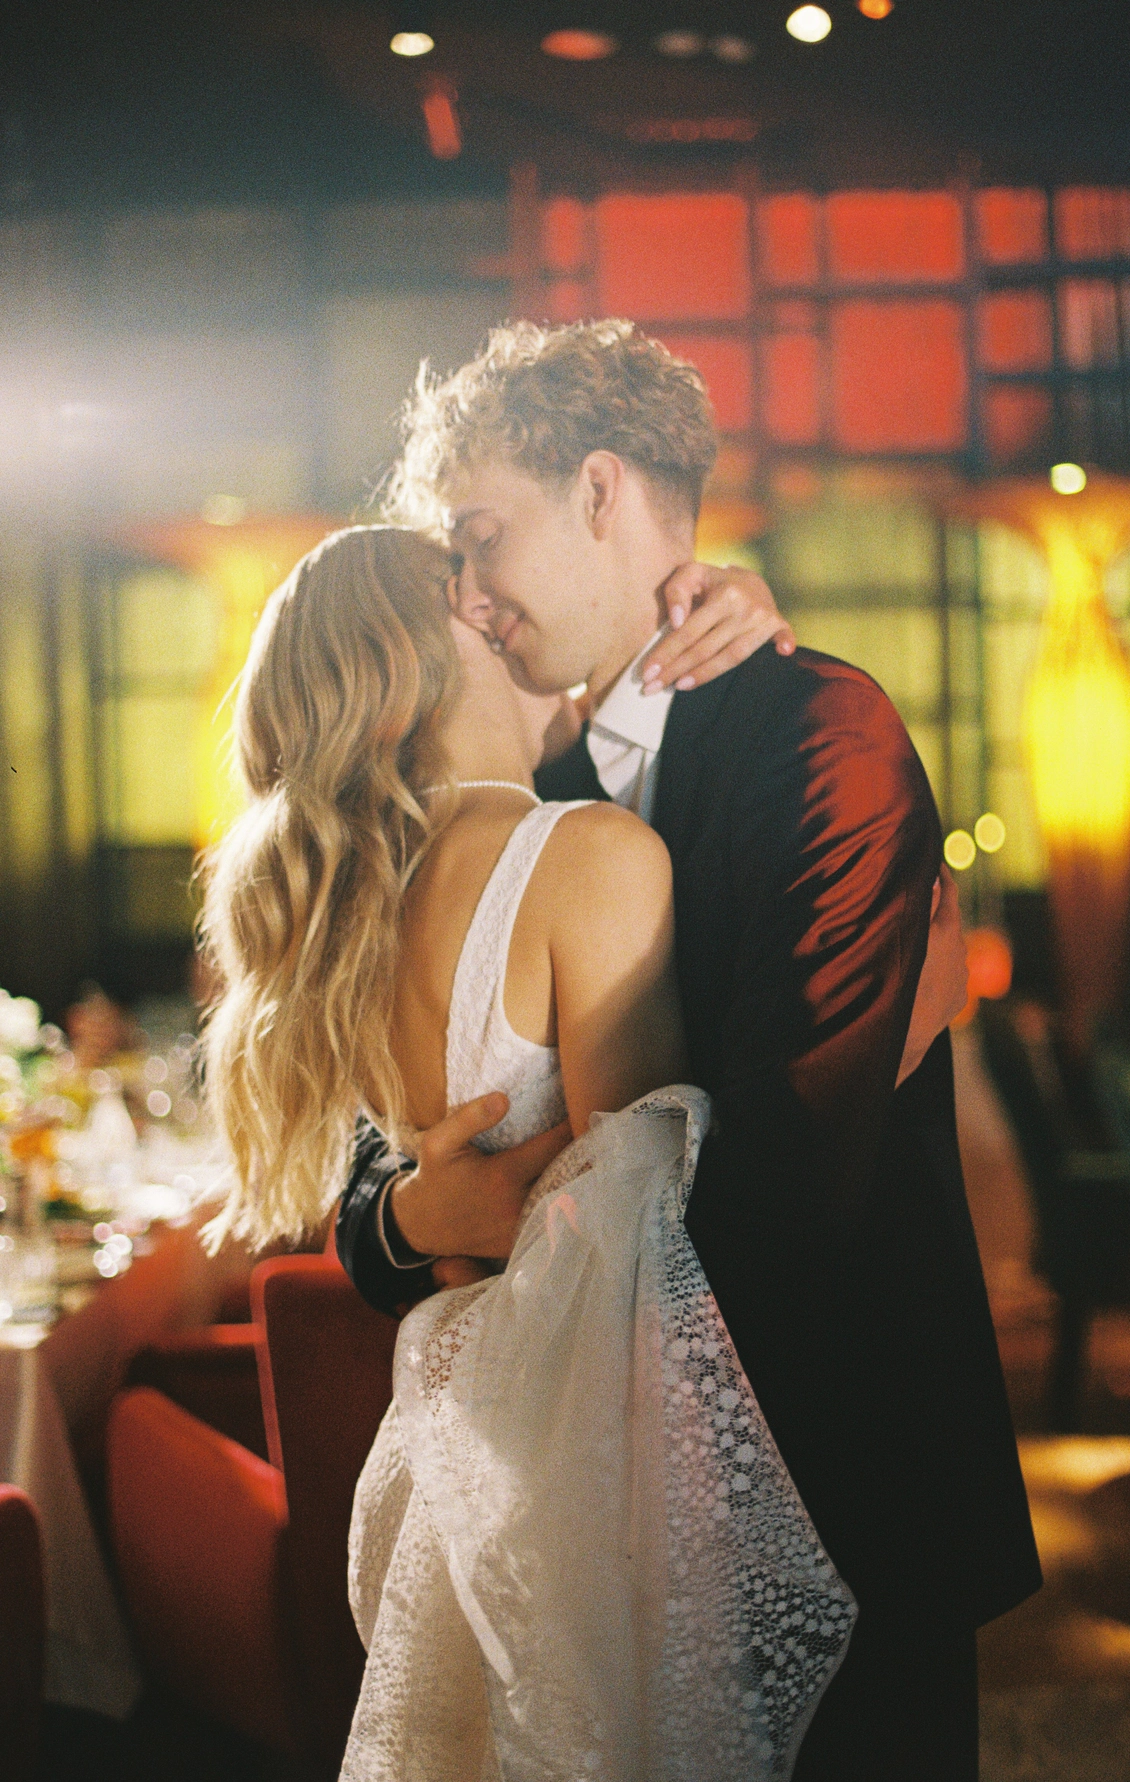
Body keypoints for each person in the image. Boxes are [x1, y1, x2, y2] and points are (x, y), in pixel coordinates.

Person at [336, 320, 1042, 1779]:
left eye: (482, 539)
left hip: (833, 1477)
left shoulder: (820, 736)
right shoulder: (519, 791)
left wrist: (521, 1233)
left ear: (601, 490)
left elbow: (784, 1184)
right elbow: (369, 1175)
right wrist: (412, 1215)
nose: (466, 593)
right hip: (571, 1537)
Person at [199, 524, 868, 1780]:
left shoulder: (360, 905)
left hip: (471, 1442)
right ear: (437, 650)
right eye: (477, 599)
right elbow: (648, 1236)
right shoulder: (585, 856)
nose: (506, 611)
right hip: (603, 1444)